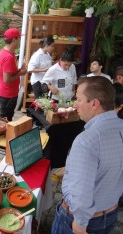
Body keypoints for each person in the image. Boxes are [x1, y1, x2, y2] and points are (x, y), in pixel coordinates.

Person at [52, 76, 123, 234]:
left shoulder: (87, 140)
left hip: (81, 222)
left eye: (78, 99)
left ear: (94, 103)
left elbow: (81, 193)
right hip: (110, 214)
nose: (75, 104)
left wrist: (80, 224)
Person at [0, 28, 27, 121]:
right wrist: (20, 73)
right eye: (19, 39)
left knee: (7, 117)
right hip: (7, 94)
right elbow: (6, 80)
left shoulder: (8, 52)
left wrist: (19, 70)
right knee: (5, 120)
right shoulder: (8, 57)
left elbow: (9, 72)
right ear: (14, 39)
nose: (19, 41)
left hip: (9, 93)